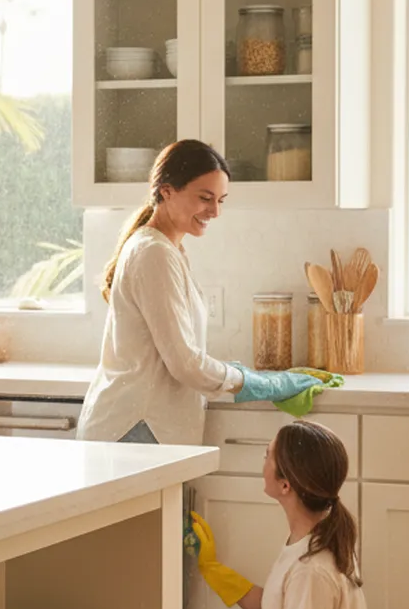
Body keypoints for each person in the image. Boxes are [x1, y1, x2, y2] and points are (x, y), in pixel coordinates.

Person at [76, 139, 320, 445]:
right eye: (205, 198)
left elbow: (177, 353)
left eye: (221, 200)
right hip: (137, 426)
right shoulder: (155, 253)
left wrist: (237, 374)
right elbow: (185, 364)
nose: (215, 211)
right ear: (166, 191)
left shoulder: (165, 248)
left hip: (140, 424)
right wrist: (260, 383)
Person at [192, 420, 383, 609]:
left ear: (285, 485)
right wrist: (215, 571)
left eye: (268, 454)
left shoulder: (312, 569)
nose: (263, 461)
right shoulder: (316, 537)